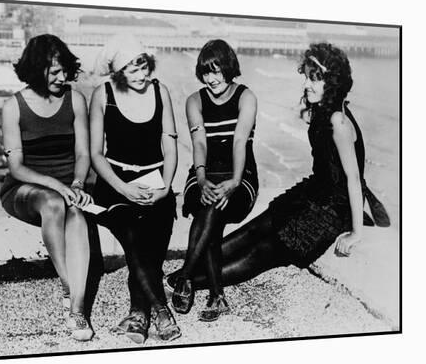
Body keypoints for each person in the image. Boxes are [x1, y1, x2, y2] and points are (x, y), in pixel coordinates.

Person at [166, 42, 390, 315]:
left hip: (329, 212)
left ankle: (184, 280)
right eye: (306, 76)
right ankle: (184, 272)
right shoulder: (322, 112)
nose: (307, 84)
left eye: (314, 78)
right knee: (253, 231)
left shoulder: (339, 122)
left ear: (333, 82)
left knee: (260, 253)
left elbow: (354, 180)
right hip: (310, 195)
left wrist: (356, 232)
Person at [0, 34, 94, 341]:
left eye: (64, 69)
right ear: (35, 69)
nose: (62, 76)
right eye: (54, 71)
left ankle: (77, 310)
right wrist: (56, 183)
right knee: (53, 203)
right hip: (26, 189)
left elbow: (83, 153)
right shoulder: (13, 107)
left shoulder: (75, 99)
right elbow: (17, 167)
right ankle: (69, 284)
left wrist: (77, 182)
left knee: (77, 214)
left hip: (69, 186)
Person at [89, 34, 181, 343]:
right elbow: (95, 154)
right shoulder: (102, 95)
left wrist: (167, 186)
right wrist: (124, 189)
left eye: (143, 67)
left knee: (150, 248)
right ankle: (161, 310)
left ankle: (138, 315)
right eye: (132, 70)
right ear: (118, 73)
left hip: (156, 184)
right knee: (133, 236)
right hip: (115, 186)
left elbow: (169, 143)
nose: (141, 76)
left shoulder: (161, 91)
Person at [168, 39, 259, 321]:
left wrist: (233, 181)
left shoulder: (246, 97)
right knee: (209, 209)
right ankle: (216, 297)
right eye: (206, 72)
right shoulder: (195, 101)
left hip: (240, 174)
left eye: (217, 70)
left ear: (229, 68)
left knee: (212, 211)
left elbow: (240, 141)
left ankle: (185, 277)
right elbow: (199, 144)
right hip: (204, 171)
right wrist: (202, 178)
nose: (212, 78)